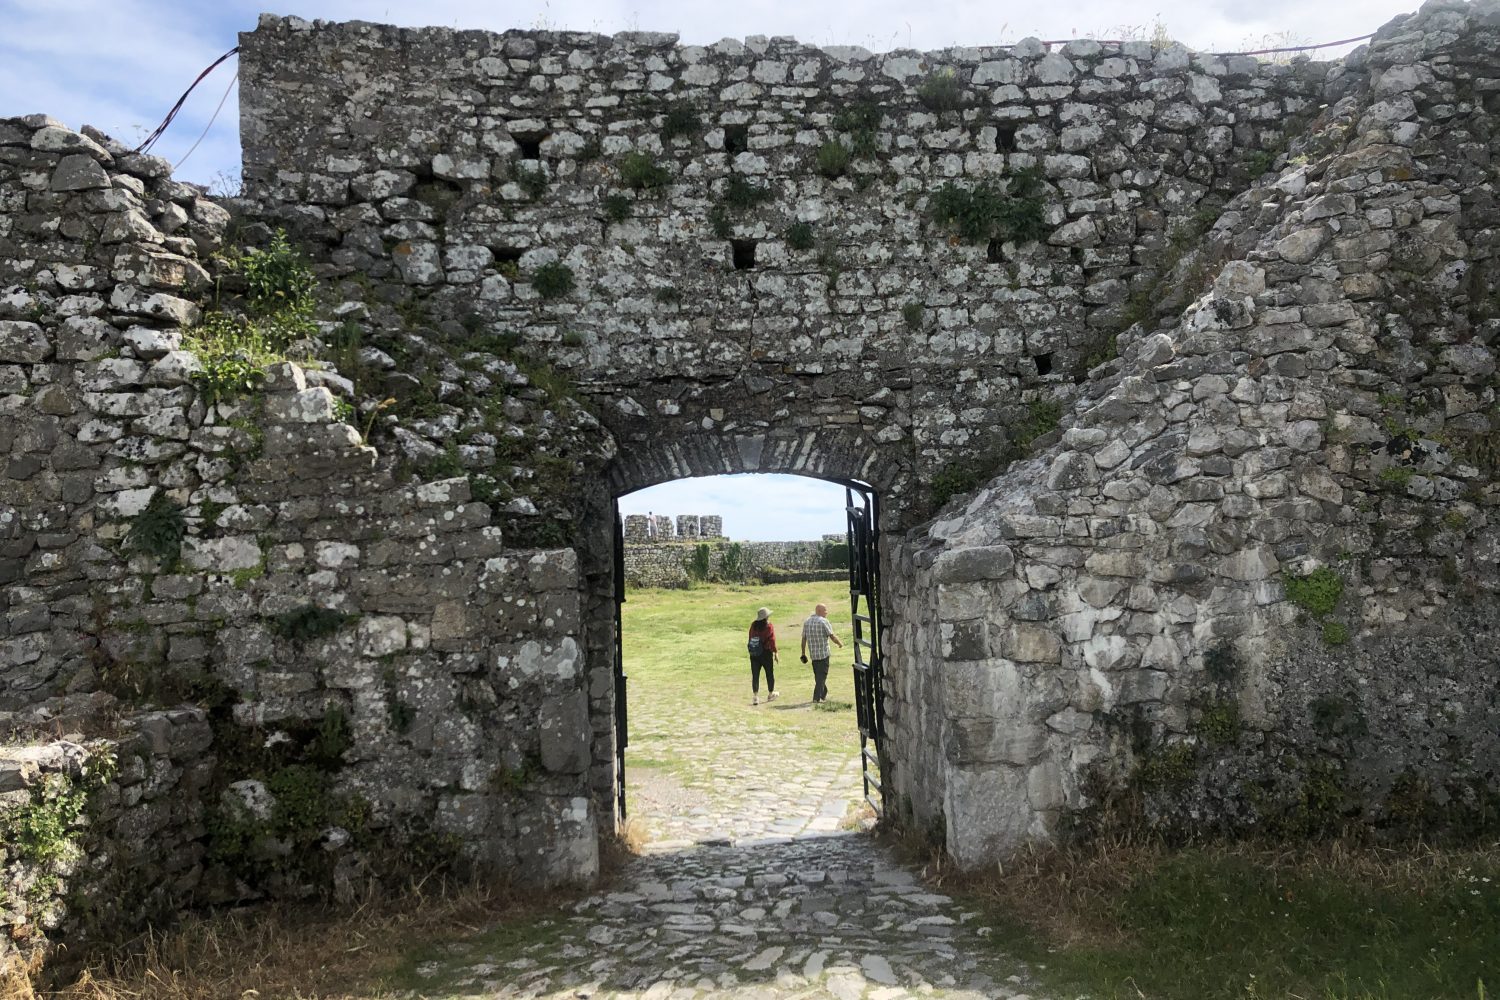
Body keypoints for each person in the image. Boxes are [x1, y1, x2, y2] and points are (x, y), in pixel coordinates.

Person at [800, 603, 844, 703]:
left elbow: (803, 639)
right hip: (824, 654)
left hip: (813, 655)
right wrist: (839, 643)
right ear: (819, 611)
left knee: (818, 676)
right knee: (821, 676)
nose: (826, 613)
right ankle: (816, 698)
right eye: (825, 611)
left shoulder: (807, 622)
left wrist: (803, 653)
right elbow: (832, 636)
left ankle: (823, 693)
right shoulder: (824, 621)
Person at [747, 606, 778, 705]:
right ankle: (770, 693)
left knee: (755, 675)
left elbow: (750, 637)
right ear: (766, 617)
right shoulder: (769, 626)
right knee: (769, 673)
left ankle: (755, 696)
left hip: (754, 653)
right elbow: (772, 640)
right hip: (766, 653)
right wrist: (775, 652)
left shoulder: (753, 625)